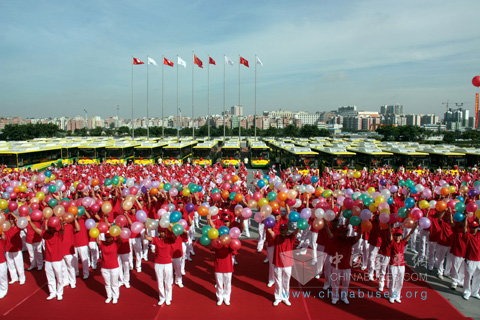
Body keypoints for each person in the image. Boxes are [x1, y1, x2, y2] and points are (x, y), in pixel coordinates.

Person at [28, 216, 65, 301]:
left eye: (52, 227)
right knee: (50, 277)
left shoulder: (59, 234)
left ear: (55, 228)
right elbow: (36, 229)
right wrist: (30, 222)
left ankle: (59, 293)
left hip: (57, 260)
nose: (50, 229)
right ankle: (52, 292)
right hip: (48, 260)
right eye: (49, 227)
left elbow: (63, 230)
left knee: (59, 277)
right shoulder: (45, 234)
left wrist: (61, 222)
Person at [326, 223, 361, 305]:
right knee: (335, 282)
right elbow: (329, 234)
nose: (345, 234)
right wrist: (326, 225)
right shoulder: (335, 239)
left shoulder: (350, 240)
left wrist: (359, 226)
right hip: (336, 266)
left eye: (346, 232)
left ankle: (344, 297)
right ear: (339, 232)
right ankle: (335, 297)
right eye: (343, 232)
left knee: (346, 283)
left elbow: (358, 237)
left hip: (346, 266)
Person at [269, 223, 299, 307]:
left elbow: (296, 231)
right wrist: (266, 224)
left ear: (287, 231)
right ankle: (277, 298)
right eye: (281, 230)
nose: (282, 231)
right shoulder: (276, 237)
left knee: (286, 282)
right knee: (278, 282)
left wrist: (299, 226)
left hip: (287, 264)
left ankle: (285, 298)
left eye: (284, 230)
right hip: (278, 264)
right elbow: (270, 232)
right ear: (279, 230)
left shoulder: (290, 238)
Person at [388, 224, 417, 303]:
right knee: (393, 280)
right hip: (393, 265)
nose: (398, 237)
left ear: (401, 236)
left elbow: (410, 234)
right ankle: (391, 296)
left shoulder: (403, 242)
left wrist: (415, 227)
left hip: (401, 265)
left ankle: (397, 295)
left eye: (399, 235)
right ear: (394, 236)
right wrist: (390, 228)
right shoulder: (392, 242)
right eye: (396, 235)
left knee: (400, 281)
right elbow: (390, 235)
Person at [145, 227, 174, 305]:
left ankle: (168, 298)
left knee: (168, 282)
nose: (162, 233)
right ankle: (162, 297)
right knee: (160, 281)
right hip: (158, 263)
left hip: (168, 263)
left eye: (164, 232)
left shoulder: (170, 239)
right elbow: (147, 237)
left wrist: (171, 228)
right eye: (161, 232)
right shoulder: (156, 239)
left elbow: (176, 236)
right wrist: (145, 228)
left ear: (166, 233)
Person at [97, 230, 122, 304]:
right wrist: (97, 232)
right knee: (107, 283)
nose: (108, 239)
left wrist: (117, 233)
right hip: (104, 268)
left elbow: (120, 240)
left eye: (109, 237)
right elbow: (97, 241)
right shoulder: (102, 244)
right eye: (106, 237)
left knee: (114, 283)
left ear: (112, 238)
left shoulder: (115, 244)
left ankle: (115, 296)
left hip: (114, 267)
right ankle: (109, 296)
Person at [3, 214, 26, 285]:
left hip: (16, 249)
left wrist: (13, 214)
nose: (10, 220)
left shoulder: (17, 227)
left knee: (19, 265)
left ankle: (22, 278)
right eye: (9, 219)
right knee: (10, 264)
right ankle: (14, 278)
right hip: (8, 249)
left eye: (11, 219)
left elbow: (21, 222)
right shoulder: (5, 228)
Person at [212, 238, 235, 306]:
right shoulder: (217, 242)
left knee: (227, 283)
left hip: (228, 266)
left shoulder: (230, 243)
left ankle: (226, 298)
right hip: (218, 265)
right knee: (219, 284)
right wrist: (211, 240)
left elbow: (234, 251)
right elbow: (212, 248)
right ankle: (220, 298)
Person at [463, 220, 480, 300]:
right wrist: (466, 219)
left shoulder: (479, 235)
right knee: (468, 276)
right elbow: (465, 229)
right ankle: (467, 292)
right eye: (472, 228)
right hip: (470, 259)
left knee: (478, 276)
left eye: (475, 227)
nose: (474, 229)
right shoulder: (468, 236)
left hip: (478, 260)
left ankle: (475, 292)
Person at [0, 233, 7, 299]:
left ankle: (4, 290)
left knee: (2, 276)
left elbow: (4, 237)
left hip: (1, 262)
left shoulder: (1, 241)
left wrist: (2, 234)